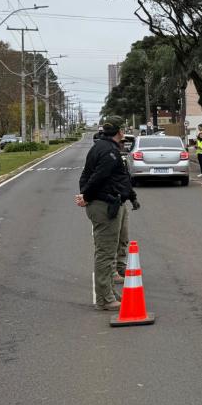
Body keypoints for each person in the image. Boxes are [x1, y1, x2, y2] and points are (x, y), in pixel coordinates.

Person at [74, 115, 139, 311]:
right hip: (104, 205)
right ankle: (105, 299)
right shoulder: (108, 152)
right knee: (106, 253)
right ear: (120, 131)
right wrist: (86, 195)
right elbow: (96, 177)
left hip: (108, 202)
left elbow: (111, 178)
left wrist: (131, 196)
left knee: (109, 252)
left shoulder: (103, 147)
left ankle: (109, 293)